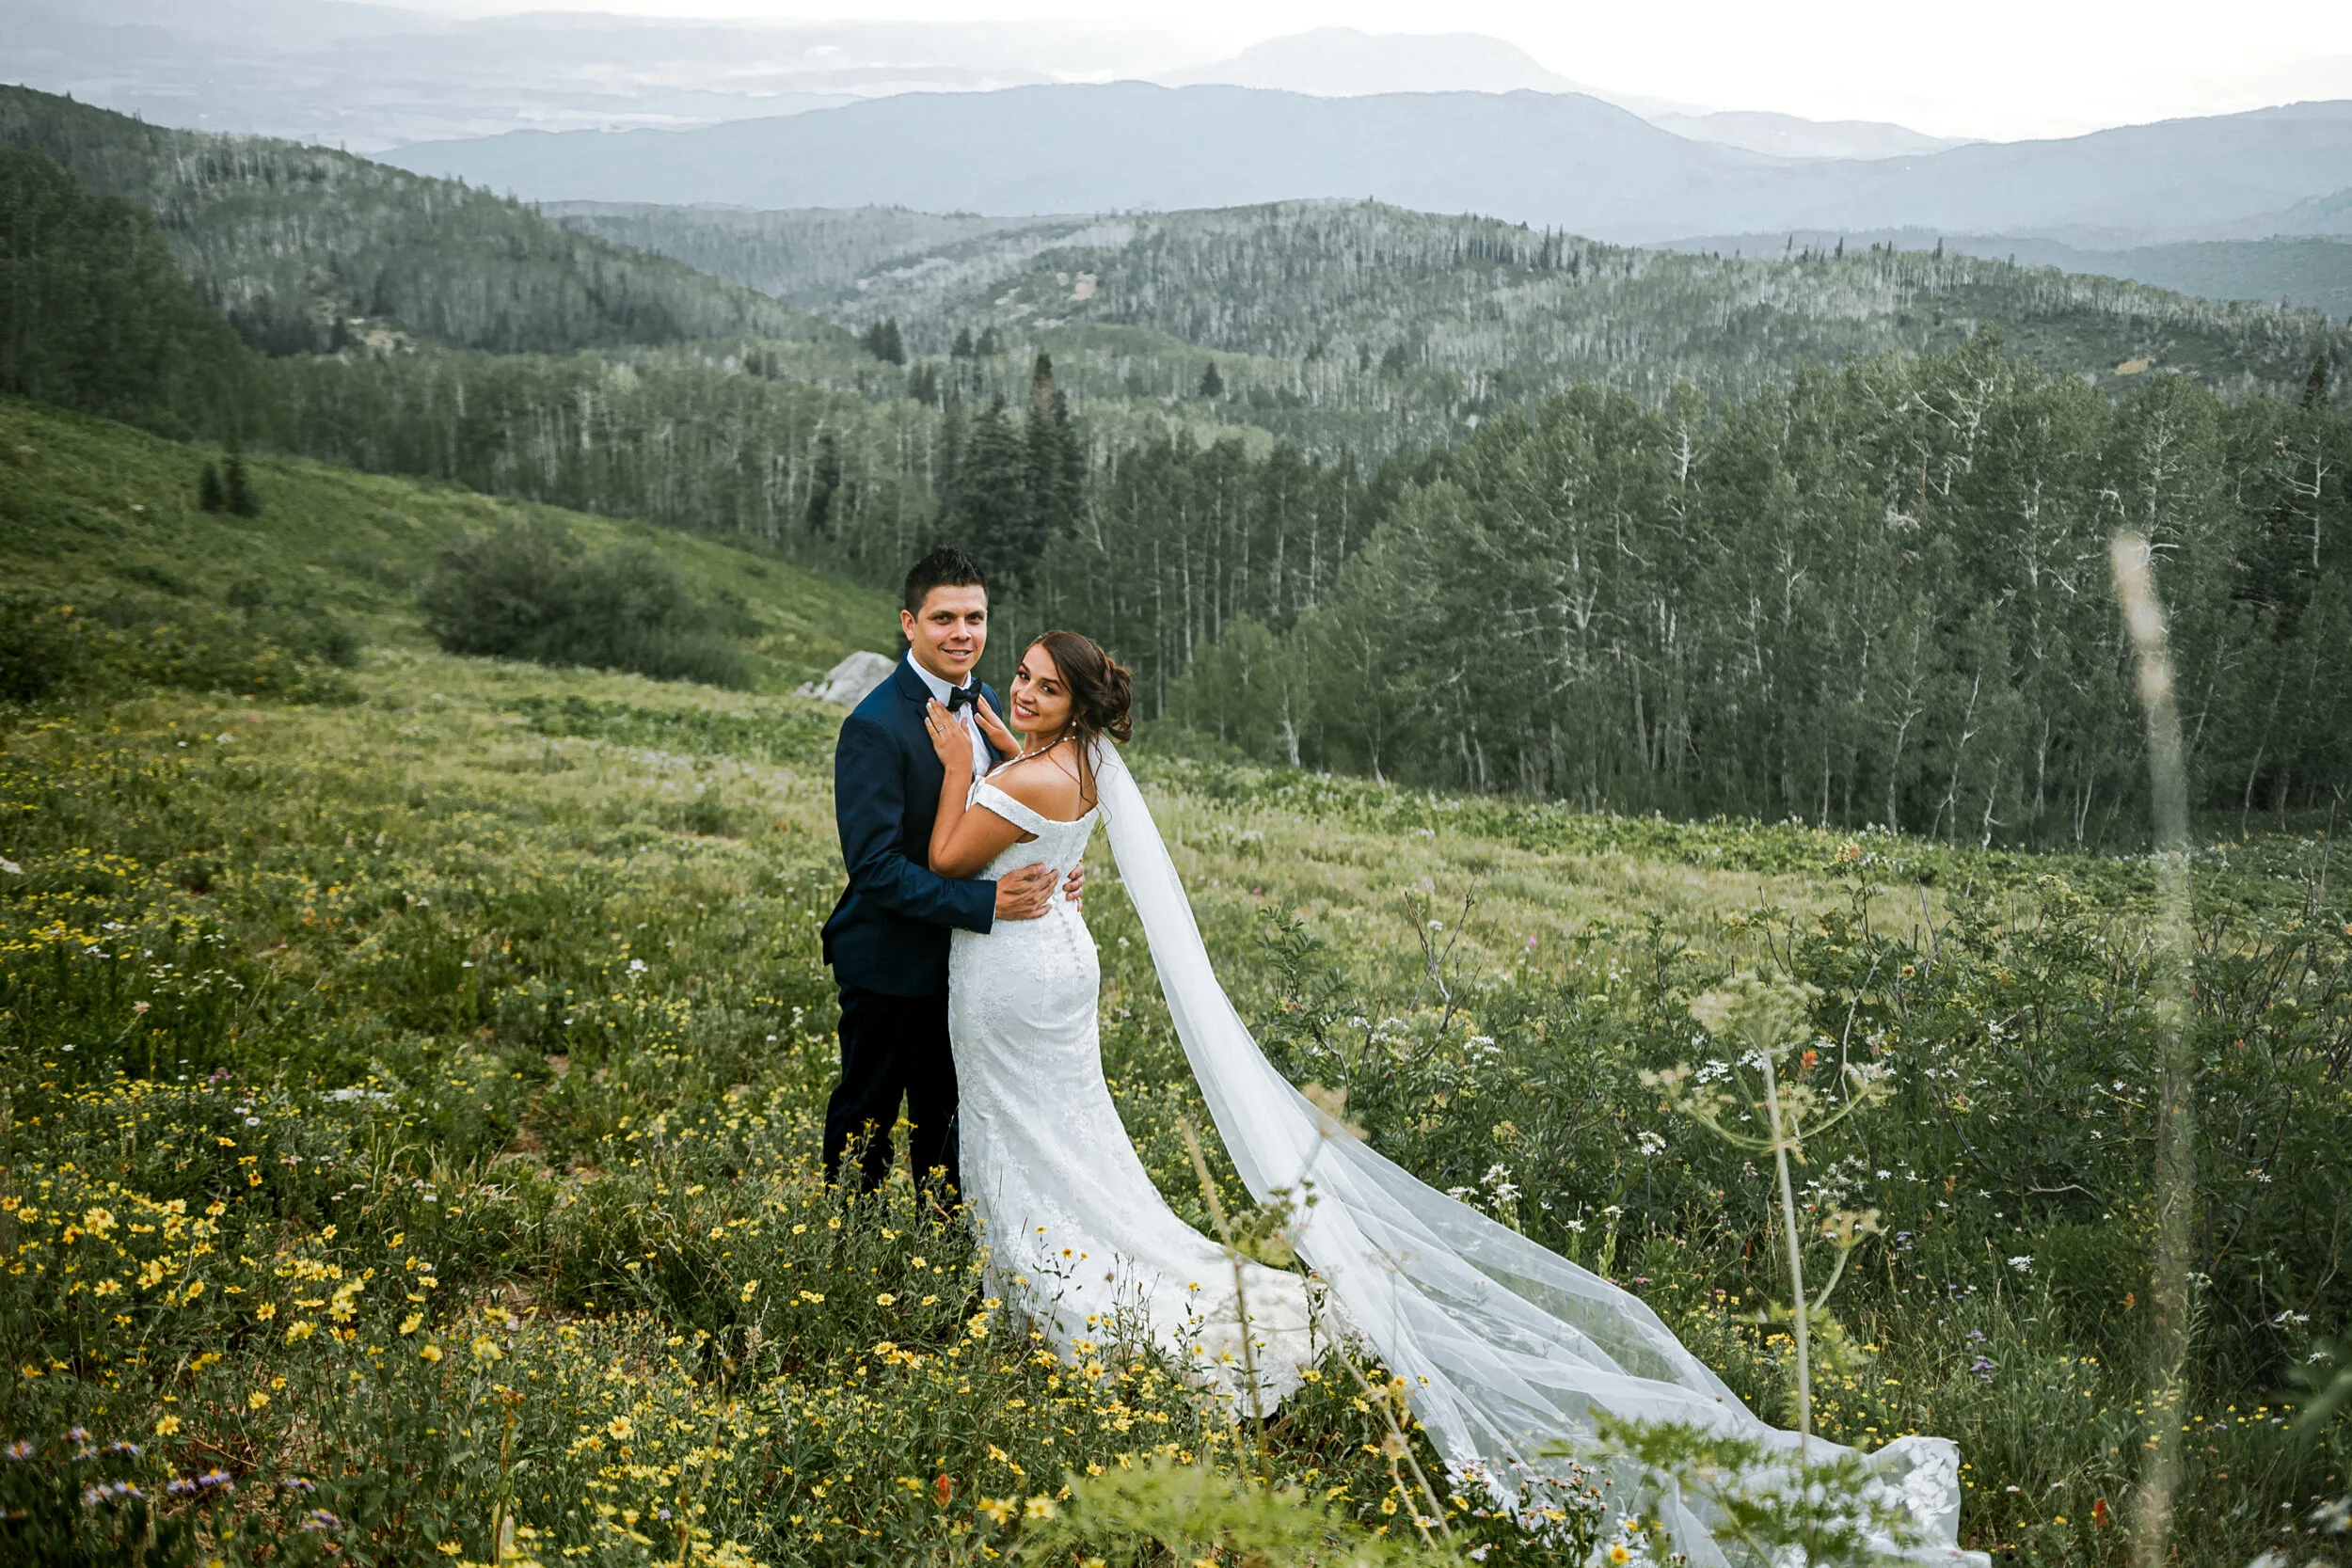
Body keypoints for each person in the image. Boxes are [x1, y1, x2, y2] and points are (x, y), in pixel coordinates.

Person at [923, 626, 1986, 1568]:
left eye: (1044, 685)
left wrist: (959, 764)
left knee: (1038, 1134)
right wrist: (1007, 760)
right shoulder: (1078, 768)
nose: (1023, 691)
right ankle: (1067, 1261)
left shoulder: (1025, 774)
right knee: (1069, 1136)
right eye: (1022, 676)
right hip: (1055, 960)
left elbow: (944, 852)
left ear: (1078, 703)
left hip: (1016, 974)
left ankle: (1050, 1282)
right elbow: (1033, 816)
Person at [818, 548, 1080, 1206]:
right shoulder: (873, 725)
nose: (962, 633)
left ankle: (945, 1248)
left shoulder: (988, 700)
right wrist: (989, 902)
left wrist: (1053, 868)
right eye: (944, 618)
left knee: (950, 1123)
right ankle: (843, 1247)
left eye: (975, 617)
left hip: (971, 965)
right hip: (890, 962)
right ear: (909, 623)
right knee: (867, 1117)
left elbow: (1006, 816)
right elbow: (875, 870)